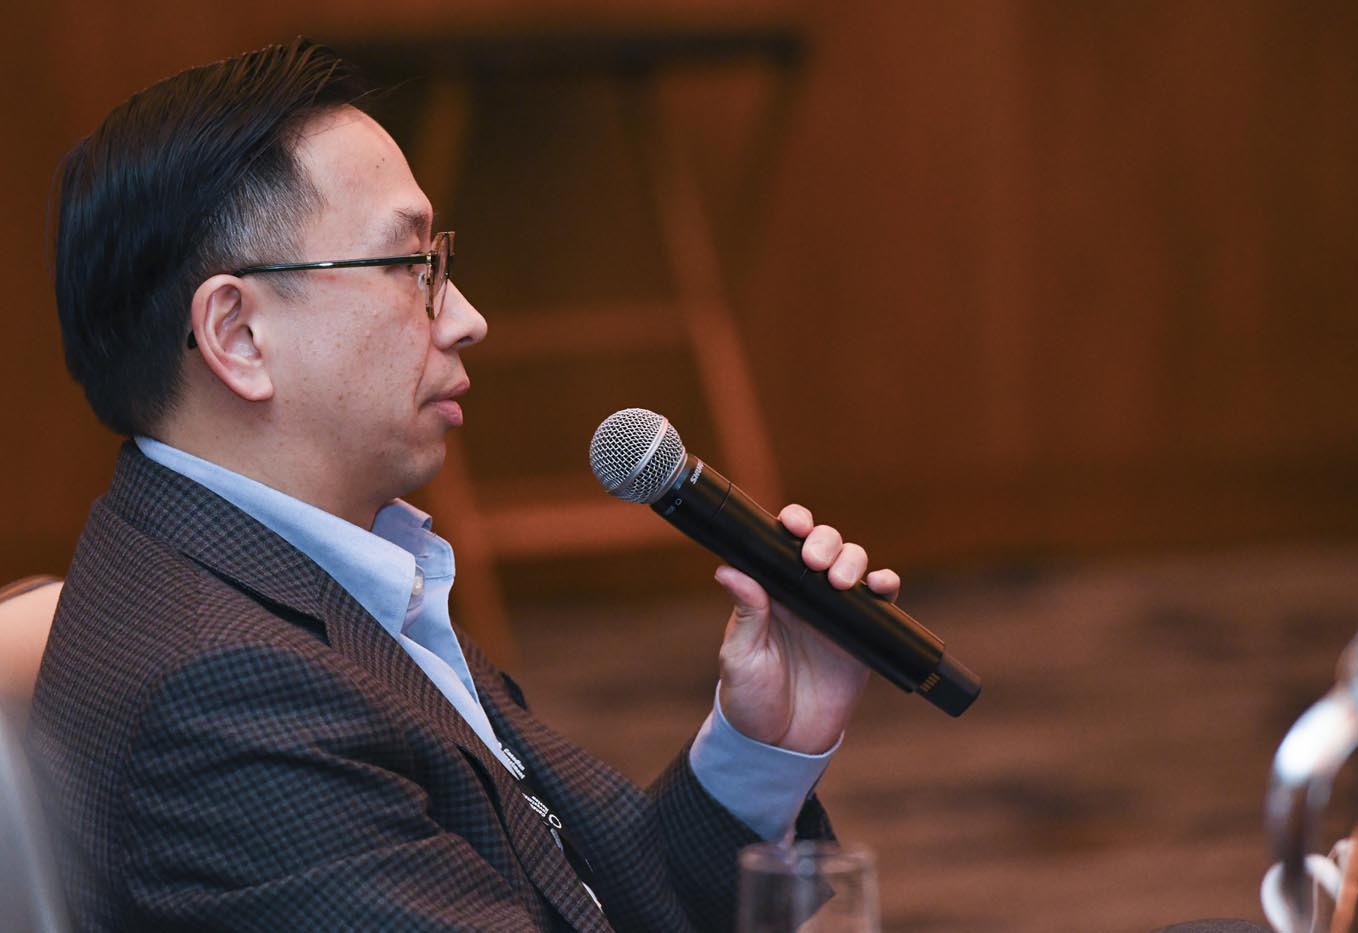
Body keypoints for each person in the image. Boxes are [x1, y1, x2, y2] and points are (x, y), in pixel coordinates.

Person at [27, 39, 901, 931]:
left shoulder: (297, 569)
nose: (469, 318)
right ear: (238, 335)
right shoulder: (230, 696)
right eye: (413, 268)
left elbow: (589, 897)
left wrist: (763, 744)